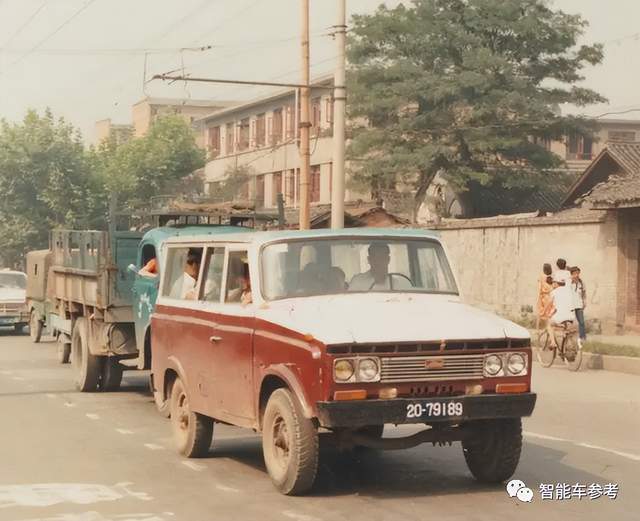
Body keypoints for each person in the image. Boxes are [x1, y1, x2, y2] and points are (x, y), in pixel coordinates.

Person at [348, 243, 413, 291]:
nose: (378, 262)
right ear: (369, 260)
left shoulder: (397, 284)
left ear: (388, 259)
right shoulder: (358, 281)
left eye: (381, 258)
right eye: (375, 258)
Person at [543, 273, 576, 349]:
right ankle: (565, 343)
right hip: (571, 316)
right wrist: (552, 313)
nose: (553, 284)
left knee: (549, 324)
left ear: (556, 283)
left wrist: (544, 311)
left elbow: (549, 304)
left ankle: (553, 343)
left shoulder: (554, 292)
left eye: (553, 282)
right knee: (562, 325)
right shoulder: (568, 291)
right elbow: (559, 306)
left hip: (561, 317)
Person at [570, 266, 587, 342]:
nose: (577, 275)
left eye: (578, 273)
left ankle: (582, 337)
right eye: (575, 273)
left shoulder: (581, 282)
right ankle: (569, 338)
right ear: (572, 274)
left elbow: (584, 293)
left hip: (579, 305)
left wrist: (584, 301)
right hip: (571, 305)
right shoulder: (568, 283)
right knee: (570, 322)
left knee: (582, 322)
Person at [537, 263, 553, 329]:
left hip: (542, 297)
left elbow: (539, 289)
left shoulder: (541, 277)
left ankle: (537, 329)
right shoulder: (551, 278)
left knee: (540, 314)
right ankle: (548, 327)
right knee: (548, 314)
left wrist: (538, 298)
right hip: (549, 297)